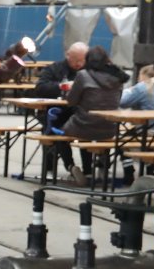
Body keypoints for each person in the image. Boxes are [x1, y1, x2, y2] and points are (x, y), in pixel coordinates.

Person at [52, 44, 126, 185]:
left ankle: (71, 166)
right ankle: (101, 165)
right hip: (109, 127)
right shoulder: (118, 76)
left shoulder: (83, 75)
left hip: (84, 125)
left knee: (60, 135)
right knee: (99, 134)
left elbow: (71, 101)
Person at [31, 40, 88, 138]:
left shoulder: (89, 71)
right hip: (56, 112)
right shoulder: (53, 68)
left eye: (82, 60)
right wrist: (61, 86)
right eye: (75, 60)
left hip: (79, 114)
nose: (79, 64)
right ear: (68, 55)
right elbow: (40, 88)